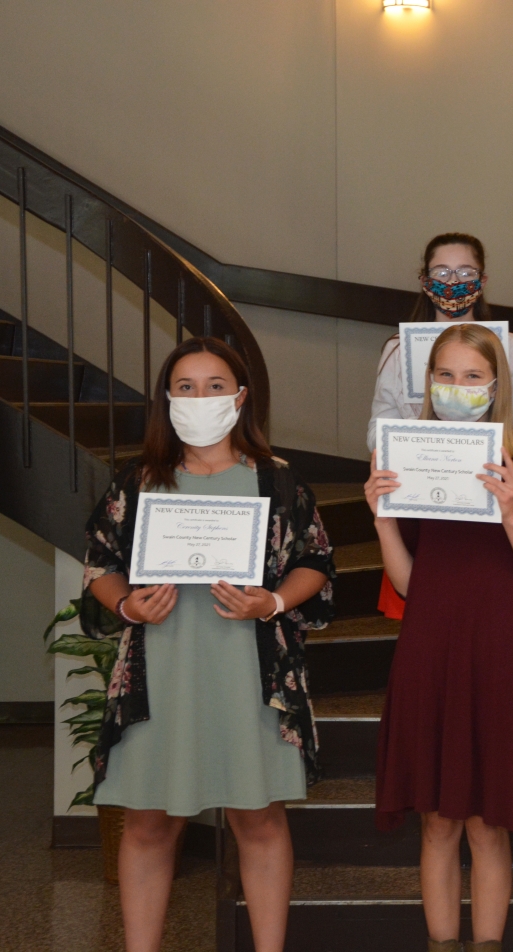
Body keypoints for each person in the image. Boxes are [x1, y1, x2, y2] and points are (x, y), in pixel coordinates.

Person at [82, 337, 336, 952]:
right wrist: (126, 603)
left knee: (259, 817)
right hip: (162, 669)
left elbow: (316, 561)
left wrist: (271, 602)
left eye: (216, 386)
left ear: (241, 397)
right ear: (167, 399)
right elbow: (99, 566)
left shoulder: (275, 481)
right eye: (186, 387)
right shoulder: (139, 482)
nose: (201, 398)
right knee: (147, 821)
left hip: (249, 671)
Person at [369, 323, 513, 952]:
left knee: (488, 825)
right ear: (428, 383)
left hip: (498, 649)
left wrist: (508, 511)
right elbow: (409, 581)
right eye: (445, 375)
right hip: (429, 645)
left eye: (472, 376)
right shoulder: (410, 456)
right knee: (437, 821)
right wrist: (382, 522)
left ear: (497, 383)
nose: (457, 387)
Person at [368, 232, 513, 621]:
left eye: (465, 271)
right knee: (425, 622)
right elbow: (377, 428)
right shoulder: (397, 348)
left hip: (486, 503)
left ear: (482, 279)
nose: (452, 280)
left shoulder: (506, 345)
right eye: (441, 271)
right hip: (421, 500)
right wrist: (418, 440)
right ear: (424, 281)